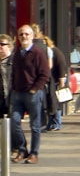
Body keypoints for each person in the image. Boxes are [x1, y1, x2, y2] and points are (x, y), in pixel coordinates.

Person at [11, 24, 51, 164]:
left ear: (32, 36)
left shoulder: (37, 53)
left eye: (27, 34)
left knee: (35, 125)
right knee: (14, 121)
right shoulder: (17, 53)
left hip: (33, 94)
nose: (24, 37)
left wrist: (35, 89)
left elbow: (45, 74)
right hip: (18, 93)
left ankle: (34, 153)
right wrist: (13, 88)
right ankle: (22, 150)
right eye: (21, 34)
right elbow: (14, 73)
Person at [44, 35, 68, 132]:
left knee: (56, 103)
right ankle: (51, 123)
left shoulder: (56, 52)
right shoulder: (52, 52)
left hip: (56, 81)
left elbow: (61, 66)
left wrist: (61, 83)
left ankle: (56, 123)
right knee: (51, 102)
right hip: (52, 80)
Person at [0, 34, 13, 119]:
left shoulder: (16, 61)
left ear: (9, 46)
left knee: (14, 128)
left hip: (13, 99)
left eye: (2, 44)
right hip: (1, 100)